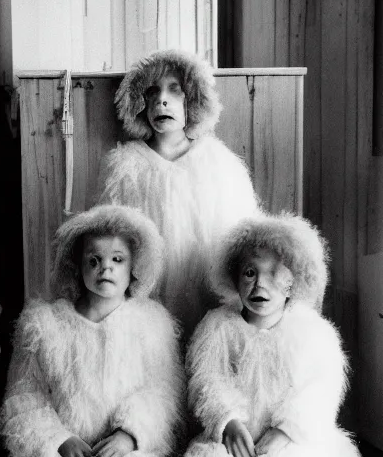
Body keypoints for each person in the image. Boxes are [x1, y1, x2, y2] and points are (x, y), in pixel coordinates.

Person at [174, 213, 369, 457]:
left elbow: (322, 388)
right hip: (237, 436)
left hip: (293, 438)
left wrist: (286, 430)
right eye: (249, 273)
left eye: (272, 273)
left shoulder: (313, 332)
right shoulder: (218, 328)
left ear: (293, 280)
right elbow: (206, 380)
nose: (259, 284)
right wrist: (227, 422)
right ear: (234, 278)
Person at [2, 205, 184, 457]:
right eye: (94, 260)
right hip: (69, 444)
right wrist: (58, 439)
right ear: (77, 266)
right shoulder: (46, 324)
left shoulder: (152, 325)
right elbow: (24, 396)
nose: (106, 268)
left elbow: (163, 391)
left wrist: (130, 434)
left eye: (117, 260)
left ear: (133, 269)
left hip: (118, 446)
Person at [97, 49, 261, 337]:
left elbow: (242, 241)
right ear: (140, 102)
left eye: (175, 91)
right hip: (147, 306)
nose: (162, 100)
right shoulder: (125, 169)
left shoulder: (219, 164)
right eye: (152, 92)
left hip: (207, 301)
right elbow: (109, 240)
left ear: (192, 100)